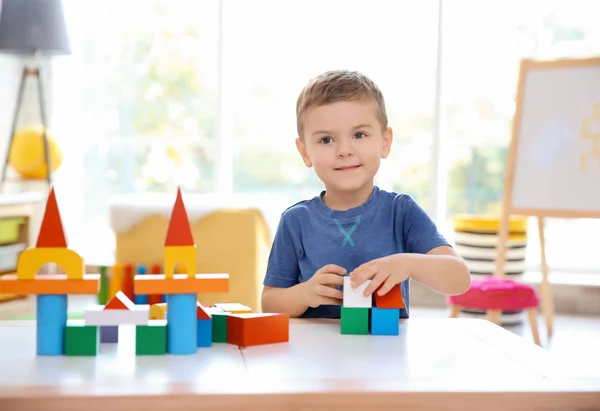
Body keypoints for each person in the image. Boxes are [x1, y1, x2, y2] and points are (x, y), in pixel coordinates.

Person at [261, 69, 470, 318]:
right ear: (305, 151)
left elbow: (459, 278)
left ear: (385, 141)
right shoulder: (296, 221)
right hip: (314, 354)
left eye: (359, 135)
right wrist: (304, 294)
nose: (344, 150)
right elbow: (270, 303)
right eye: (326, 140)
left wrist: (408, 263)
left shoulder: (400, 212)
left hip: (385, 353)